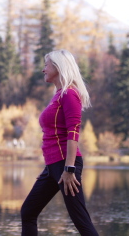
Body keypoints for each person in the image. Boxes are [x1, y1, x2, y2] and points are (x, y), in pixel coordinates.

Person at [21, 49, 99, 236]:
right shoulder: (58, 94)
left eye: (46, 65)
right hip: (52, 167)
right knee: (28, 212)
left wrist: (69, 169)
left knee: (80, 219)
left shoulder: (70, 94)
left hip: (65, 165)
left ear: (58, 67)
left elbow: (73, 133)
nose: (43, 69)